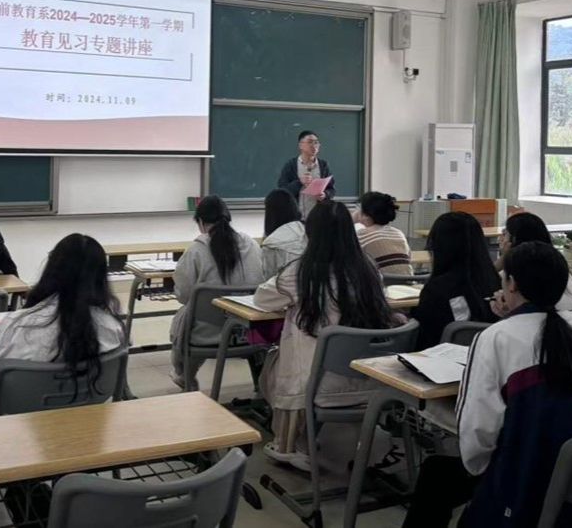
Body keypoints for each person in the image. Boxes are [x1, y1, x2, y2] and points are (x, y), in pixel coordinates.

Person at [402, 243, 572, 528]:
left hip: (521, 479)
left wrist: (482, 470)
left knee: (436, 474)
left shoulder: (496, 338)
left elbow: (477, 435)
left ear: (511, 284)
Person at [255, 200, 403, 471]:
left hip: (317, 385)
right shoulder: (368, 269)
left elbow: (262, 299)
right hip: (374, 380)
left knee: (274, 364)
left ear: (310, 233)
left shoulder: (302, 272)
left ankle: (290, 442)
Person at [0, 233, 124, 403]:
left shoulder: (18, 325)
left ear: (51, 269)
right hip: (91, 415)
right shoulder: (113, 327)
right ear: (101, 276)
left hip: (25, 414)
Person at [169, 195, 264, 388]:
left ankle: (186, 375)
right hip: (251, 331)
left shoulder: (196, 251)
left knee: (187, 316)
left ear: (201, 222)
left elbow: (183, 295)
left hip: (207, 335)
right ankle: (260, 383)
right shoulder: (252, 245)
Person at [412, 212, 498, 350]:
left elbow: (423, 341)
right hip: (486, 357)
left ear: (438, 246)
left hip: (441, 359)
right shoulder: (496, 281)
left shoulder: (437, 290)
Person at [492, 212, 572, 313]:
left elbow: (484, 282)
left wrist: (505, 259)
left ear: (514, 241)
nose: (500, 239)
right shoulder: (557, 268)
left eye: (504, 234)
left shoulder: (520, 275)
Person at [277, 131, 336, 218]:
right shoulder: (291, 165)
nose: (314, 145)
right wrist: (299, 182)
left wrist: (325, 195)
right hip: (295, 217)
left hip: (318, 217)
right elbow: (282, 192)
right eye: (310, 142)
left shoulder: (323, 165)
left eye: (316, 142)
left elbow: (332, 190)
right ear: (300, 145)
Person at [354, 191, 411, 275]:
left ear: (366, 215)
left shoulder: (361, 235)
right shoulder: (398, 233)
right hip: (408, 281)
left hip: (382, 282)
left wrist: (351, 219)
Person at [261, 189, 306, 277]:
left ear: (270, 213)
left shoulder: (271, 243)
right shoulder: (308, 230)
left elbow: (268, 276)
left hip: (284, 284)